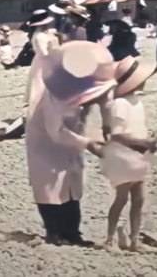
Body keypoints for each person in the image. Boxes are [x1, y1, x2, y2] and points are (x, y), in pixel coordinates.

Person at [25, 41, 113, 246]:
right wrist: (88, 143)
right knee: (49, 187)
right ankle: (54, 232)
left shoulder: (87, 84)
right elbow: (56, 131)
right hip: (45, 142)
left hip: (71, 138)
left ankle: (73, 233)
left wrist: (107, 126)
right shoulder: (53, 94)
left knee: (71, 187)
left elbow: (104, 99)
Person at [102, 56, 157, 252]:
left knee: (139, 199)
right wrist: (142, 141)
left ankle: (135, 239)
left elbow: (136, 128)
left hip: (139, 156)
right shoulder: (120, 104)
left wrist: (147, 139)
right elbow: (116, 135)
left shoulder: (136, 102)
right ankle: (110, 239)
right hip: (124, 156)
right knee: (122, 198)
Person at [25, 11, 60, 116]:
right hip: (43, 62)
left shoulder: (44, 33)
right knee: (41, 86)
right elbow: (43, 52)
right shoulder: (39, 36)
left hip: (44, 60)